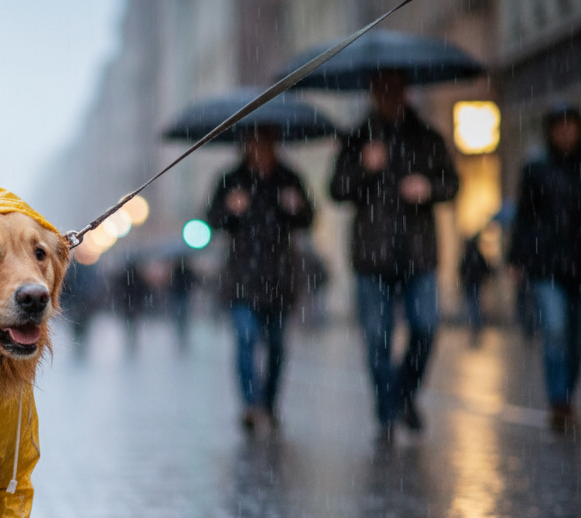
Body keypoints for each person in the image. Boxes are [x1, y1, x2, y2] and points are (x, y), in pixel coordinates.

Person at [330, 69, 459, 444]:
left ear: (405, 90)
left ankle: (403, 394)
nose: (387, 95)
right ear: (373, 93)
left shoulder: (427, 137)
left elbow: (452, 183)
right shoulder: (356, 138)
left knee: (426, 326)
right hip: (372, 255)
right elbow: (336, 189)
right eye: (381, 89)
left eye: (394, 88)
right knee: (377, 338)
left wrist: (428, 187)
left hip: (418, 252)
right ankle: (388, 413)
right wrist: (363, 168)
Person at [507, 103, 581, 433]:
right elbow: (524, 217)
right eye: (559, 127)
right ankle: (559, 400)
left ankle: (566, 394)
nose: (565, 133)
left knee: (577, 337)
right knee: (554, 330)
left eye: (570, 126)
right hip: (547, 265)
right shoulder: (536, 168)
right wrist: (518, 257)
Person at [207, 125, 314, 433]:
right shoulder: (231, 179)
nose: (261, 149)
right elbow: (211, 220)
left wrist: (296, 206)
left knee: (277, 346)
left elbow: (308, 218)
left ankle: (269, 403)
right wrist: (229, 208)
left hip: (280, 276)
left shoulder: (289, 178)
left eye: (267, 142)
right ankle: (251, 405)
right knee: (245, 339)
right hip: (242, 277)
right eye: (255, 143)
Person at [458, 232, 495, 346]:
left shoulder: (470, 255)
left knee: (473, 304)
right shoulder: (476, 255)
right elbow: (485, 269)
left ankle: (475, 324)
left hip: (472, 283)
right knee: (475, 304)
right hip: (474, 283)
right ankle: (475, 324)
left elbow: (462, 269)